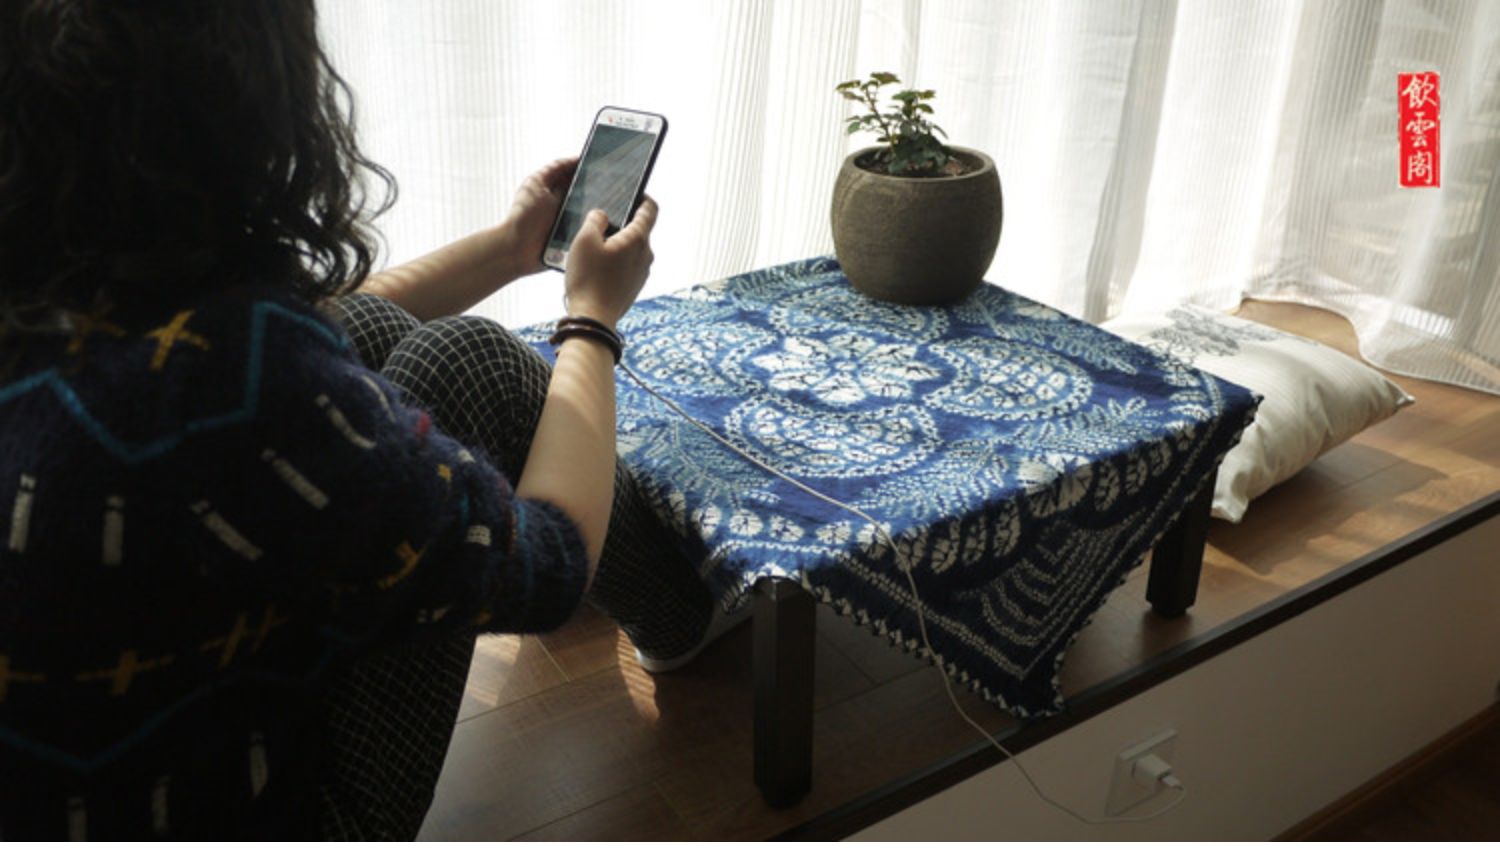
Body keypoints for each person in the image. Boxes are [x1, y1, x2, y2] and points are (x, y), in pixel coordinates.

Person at [0, 0, 729, 839]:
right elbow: (551, 565)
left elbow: (319, 326)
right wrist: (592, 320)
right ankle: (682, 617)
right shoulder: (231, 385)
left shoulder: (63, 296)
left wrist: (508, 247)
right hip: (270, 815)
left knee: (374, 334)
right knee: (469, 361)